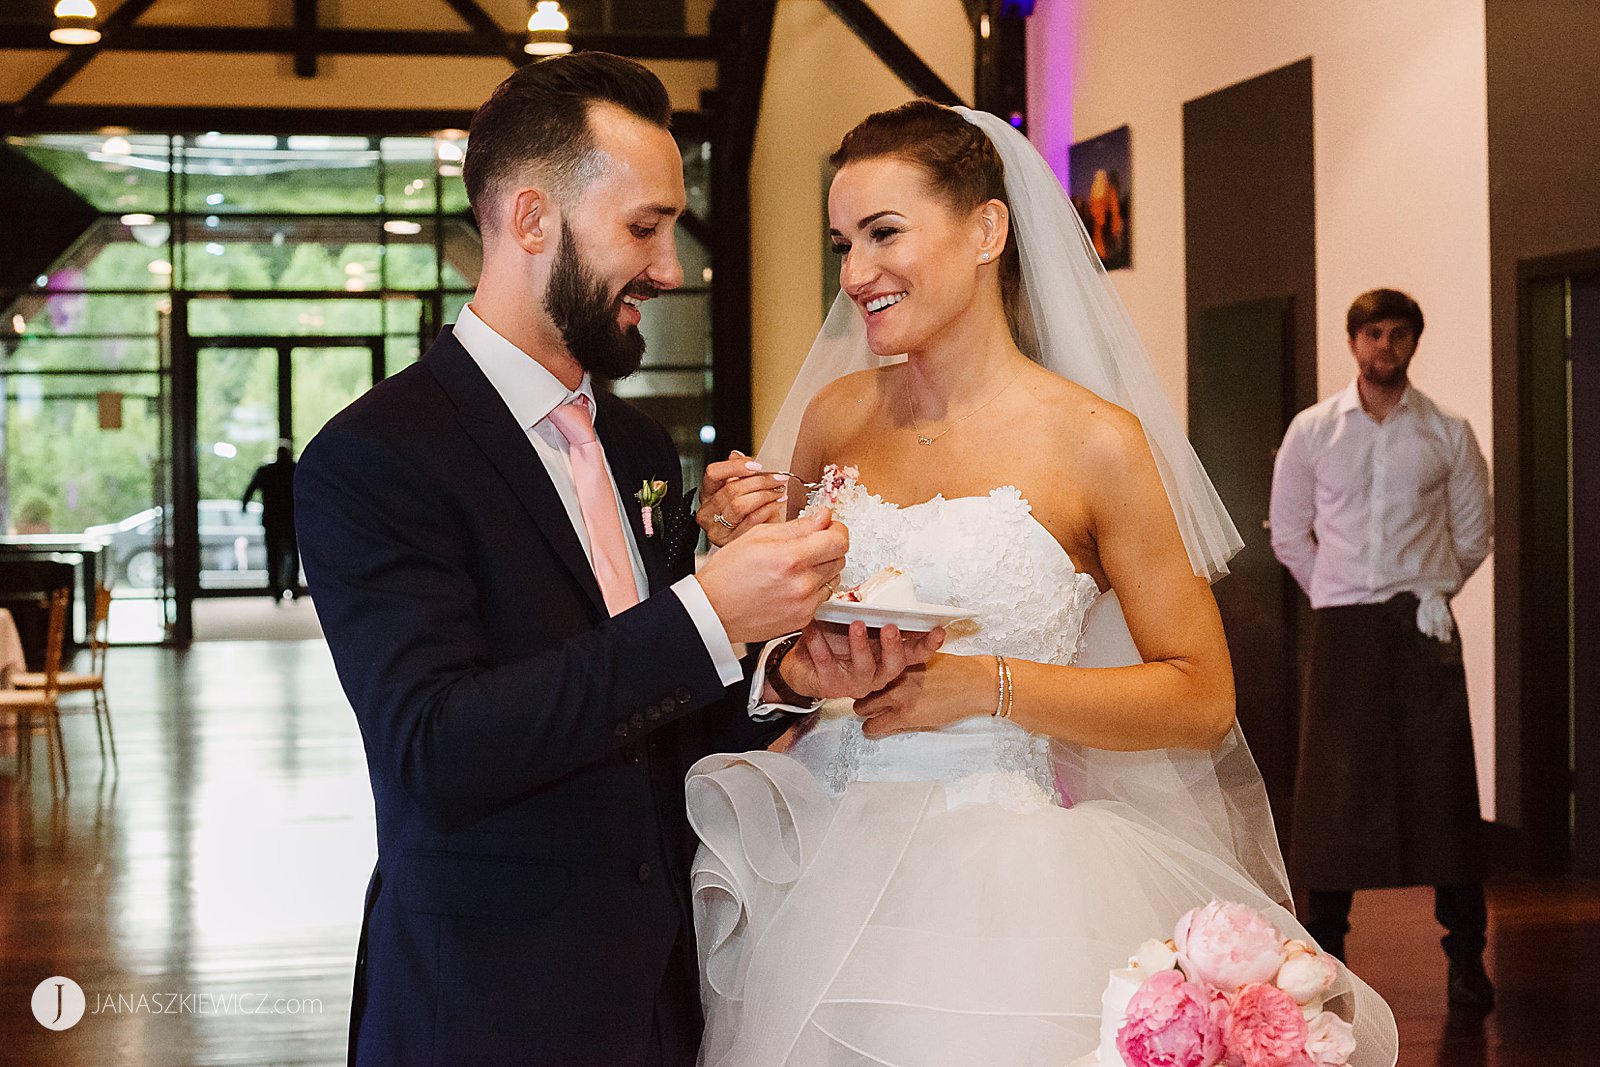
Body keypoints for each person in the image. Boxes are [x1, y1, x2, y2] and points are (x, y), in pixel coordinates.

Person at [685, 101, 1398, 1066]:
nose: (855, 275)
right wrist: (737, 548)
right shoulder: (833, 417)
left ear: (988, 228)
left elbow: (1200, 693)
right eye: (843, 242)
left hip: (1008, 882)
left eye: (885, 233)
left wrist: (988, 685)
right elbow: (781, 639)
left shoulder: (1095, 442)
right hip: (823, 852)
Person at [294, 54, 940, 1067]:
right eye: (643, 227)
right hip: (487, 1006)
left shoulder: (636, 449)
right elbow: (436, 749)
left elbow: (648, 724)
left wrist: (784, 677)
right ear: (530, 219)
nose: (671, 266)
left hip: (660, 998)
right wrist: (707, 614)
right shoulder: (374, 456)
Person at [1269, 288, 1495, 1014]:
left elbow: (1472, 534)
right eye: (1373, 332)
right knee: (1335, 801)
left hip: (1420, 626)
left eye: (1399, 333)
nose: (1385, 346)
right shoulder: (1313, 431)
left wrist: (1428, 592)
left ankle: (1466, 963)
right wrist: (1333, 594)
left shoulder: (1448, 432)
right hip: (1342, 629)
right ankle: (1321, 966)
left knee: (1444, 797)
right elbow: (1287, 531)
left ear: (1413, 344)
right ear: (1353, 341)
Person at [241, 441, 300, 600]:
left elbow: (251, 488)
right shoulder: (295, 470)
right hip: (290, 520)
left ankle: (275, 589)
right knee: (293, 554)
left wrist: (244, 505)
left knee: (273, 555)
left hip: (272, 519)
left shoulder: (267, 471)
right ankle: (293, 586)